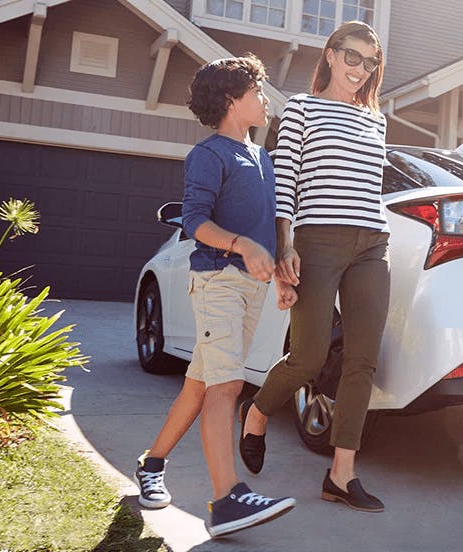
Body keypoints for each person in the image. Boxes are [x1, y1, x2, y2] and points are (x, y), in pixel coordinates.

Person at [132, 54, 298, 538]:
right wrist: (241, 245)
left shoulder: (261, 157)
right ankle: (227, 499)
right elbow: (195, 221)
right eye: (257, 93)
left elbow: (265, 228)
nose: (265, 101)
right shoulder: (210, 155)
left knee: (201, 385)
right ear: (231, 100)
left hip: (250, 289)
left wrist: (281, 271)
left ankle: (152, 463)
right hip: (217, 281)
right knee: (226, 386)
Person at [238, 21, 389, 513]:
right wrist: (285, 247)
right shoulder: (302, 108)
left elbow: (370, 189)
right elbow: (285, 182)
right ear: (329, 54)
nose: (360, 70)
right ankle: (257, 411)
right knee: (308, 357)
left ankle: (341, 475)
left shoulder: (377, 120)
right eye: (352, 57)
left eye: (370, 62)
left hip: (372, 244)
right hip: (317, 241)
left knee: (362, 360)